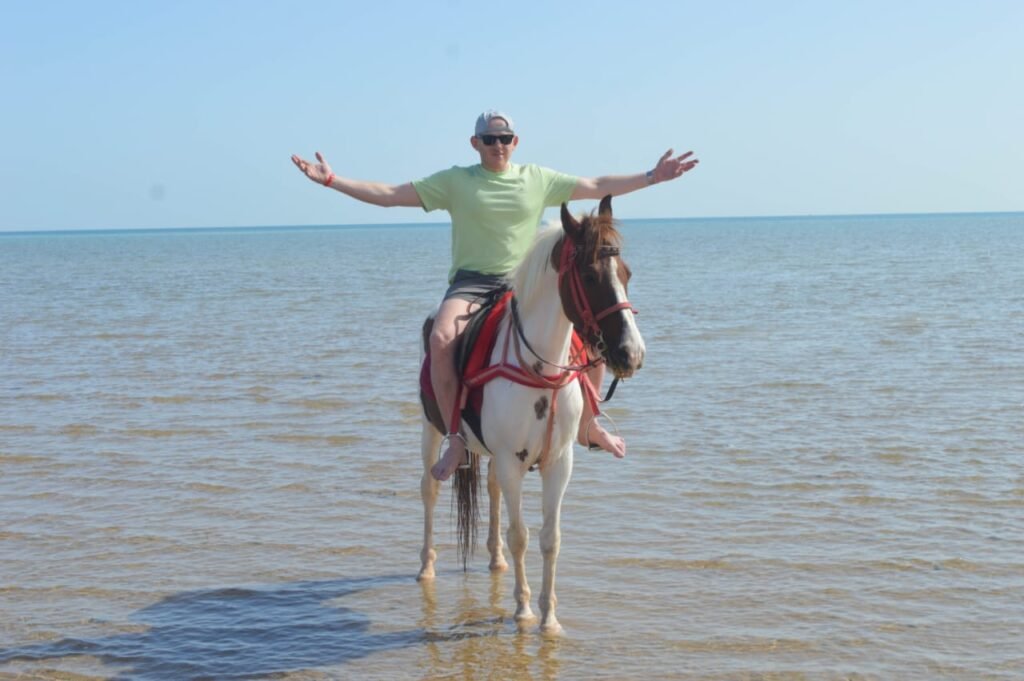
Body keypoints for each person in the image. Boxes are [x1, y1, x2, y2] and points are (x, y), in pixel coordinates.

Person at [292, 110, 698, 482]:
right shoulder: (455, 182)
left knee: (590, 333)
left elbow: (595, 186)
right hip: (471, 285)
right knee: (440, 338)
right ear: (475, 143)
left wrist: (652, 176)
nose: (497, 145)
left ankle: (589, 424)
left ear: (515, 142)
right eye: (489, 139)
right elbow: (390, 194)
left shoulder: (537, 178)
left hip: (523, 287)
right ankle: (455, 438)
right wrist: (332, 180)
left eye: (505, 138)